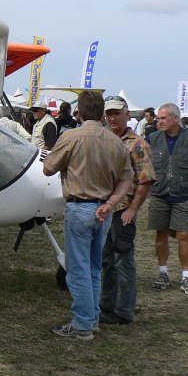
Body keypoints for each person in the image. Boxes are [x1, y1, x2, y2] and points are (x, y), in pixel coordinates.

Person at [43, 91, 133, 340]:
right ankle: (91, 319)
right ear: (102, 113)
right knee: (94, 267)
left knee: (78, 270)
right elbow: (127, 179)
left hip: (80, 207)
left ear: (79, 113)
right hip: (104, 209)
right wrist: (112, 202)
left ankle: (82, 324)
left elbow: (48, 168)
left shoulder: (71, 137)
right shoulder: (115, 141)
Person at [100, 96, 156, 325]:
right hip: (104, 209)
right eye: (109, 114)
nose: (112, 118)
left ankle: (124, 311)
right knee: (106, 261)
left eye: (116, 113)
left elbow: (146, 179)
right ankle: (107, 304)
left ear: (127, 115)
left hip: (122, 210)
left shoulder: (137, 144)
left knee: (123, 261)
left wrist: (133, 209)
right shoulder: (104, 139)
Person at [147, 103, 188, 295]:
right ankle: (163, 273)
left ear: (175, 119)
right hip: (159, 194)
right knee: (160, 234)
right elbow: (141, 159)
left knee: (184, 235)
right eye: (158, 118)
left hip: (182, 194)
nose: (159, 121)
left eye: (163, 118)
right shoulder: (152, 138)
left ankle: (186, 277)